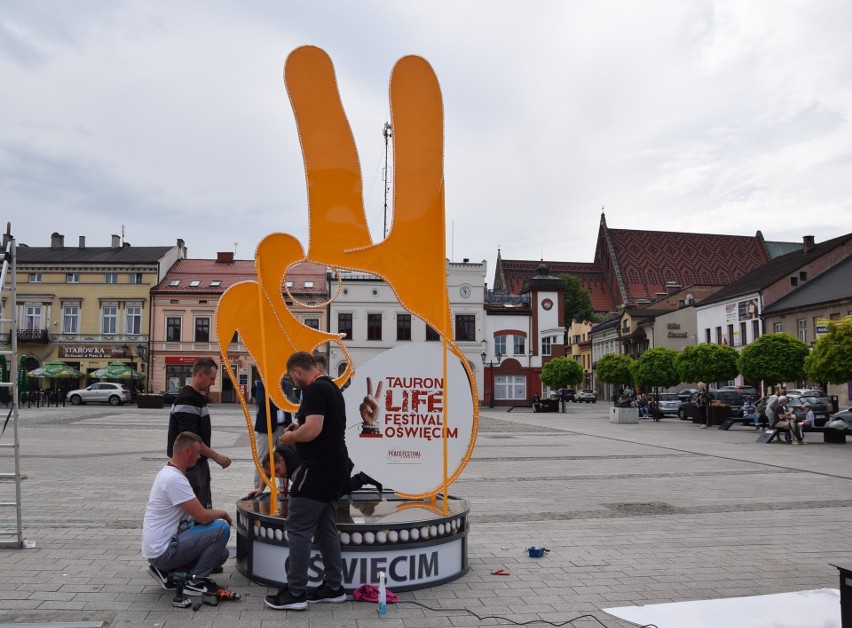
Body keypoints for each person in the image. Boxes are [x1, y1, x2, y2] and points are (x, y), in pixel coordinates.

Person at [264, 352, 350, 611]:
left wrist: (291, 438)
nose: (293, 382)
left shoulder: (313, 390)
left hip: (319, 468)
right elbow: (317, 424)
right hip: (337, 468)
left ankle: (295, 593)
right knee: (325, 529)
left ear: (298, 371)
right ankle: (334, 587)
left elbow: (313, 430)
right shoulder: (333, 389)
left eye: (292, 378)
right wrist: (297, 426)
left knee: (299, 527)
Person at [143, 431, 232, 596]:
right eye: (198, 452)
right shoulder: (174, 479)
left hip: (158, 549)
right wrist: (223, 513)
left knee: (221, 554)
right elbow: (203, 517)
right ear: (188, 452)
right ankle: (195, 582)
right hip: (164, 551)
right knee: (222, 528)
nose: (199, 457)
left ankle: (169, 573)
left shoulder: (168, 472)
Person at [167, 358, 231, 510]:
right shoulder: (188, 399)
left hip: (196, 463)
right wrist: (217, 457)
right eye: (211, 379)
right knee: (197, 513)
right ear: (201, 374)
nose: (213, 383)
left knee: (203, 507)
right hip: (189, 466)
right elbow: (189, 439)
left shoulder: (196, 398)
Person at [252, 377, 290, 491]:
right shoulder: (262, 384)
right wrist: (280, 399)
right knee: (263, 458)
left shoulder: (285, 384)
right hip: (266, 427)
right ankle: (258, 489)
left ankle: (283, 488)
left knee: (284, 457)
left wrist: (281, 399)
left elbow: (293, 400)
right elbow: (262, 402)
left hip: (284, 426)